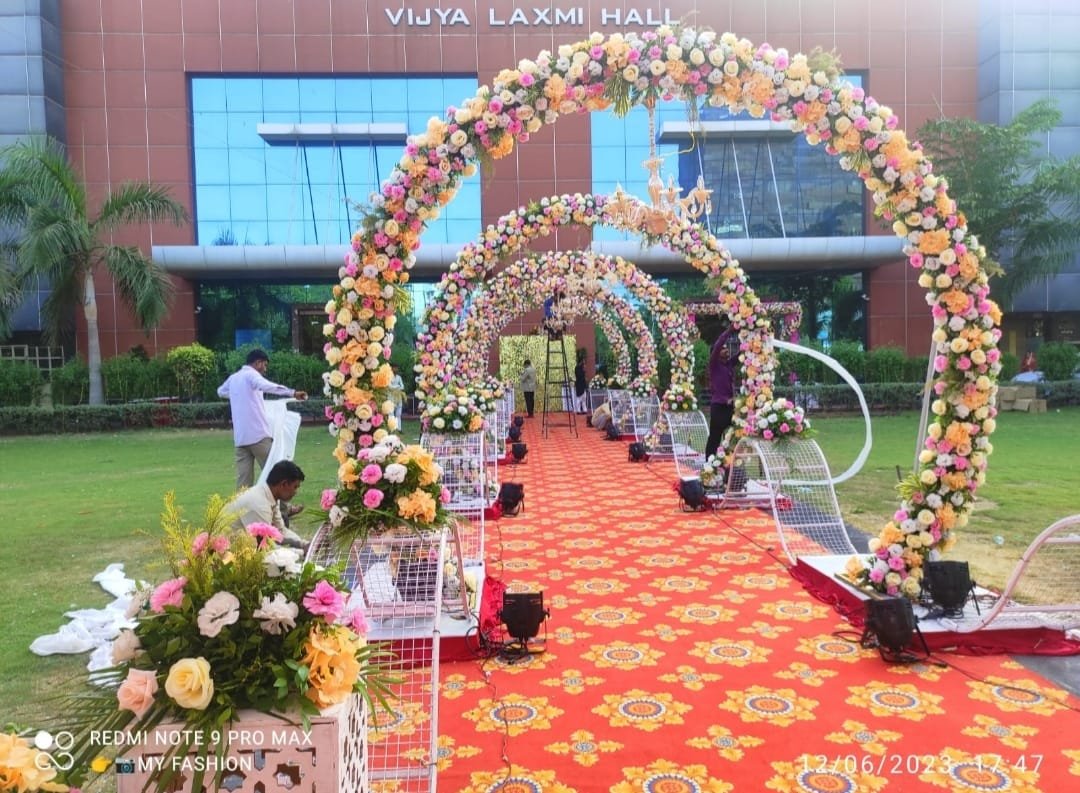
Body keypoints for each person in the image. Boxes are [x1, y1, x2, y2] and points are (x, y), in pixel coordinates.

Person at [217, 349, 308, 491]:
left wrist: (240, 395)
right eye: (264, 365)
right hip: (258, 436)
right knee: (276, 474)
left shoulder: (234, 378)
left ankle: (242, 512)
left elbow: (221, 392)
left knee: (243, 482)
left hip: (240, 439)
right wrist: (292, 393)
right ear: (257, 363)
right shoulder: (251, 376)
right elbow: (268, 386)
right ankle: (283, 509)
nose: (265, 369)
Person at [225, 460, 307, 549]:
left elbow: (281, 530)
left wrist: (303, 544)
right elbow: (264, 547)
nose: (295, 492)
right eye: (295, 487)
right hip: (224, 553)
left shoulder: (271, 495)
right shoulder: (259, 504)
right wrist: (299, 551)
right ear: (283, 484)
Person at [704, 325, 738, 460]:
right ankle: (709, 464)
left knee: (733, 434)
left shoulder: (728, 365)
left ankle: (727, 462)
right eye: (723, 349)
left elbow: (741, 353)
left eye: (726, 349)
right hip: (718, 407)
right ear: (716, 353)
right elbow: (719, 343)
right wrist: (730, 330)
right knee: (714, 437)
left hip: (730, 408)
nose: (726, 350)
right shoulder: (714, 365)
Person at [574, 348, 588, 414]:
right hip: (579, 384)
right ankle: (578, 410)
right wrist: (583, 372)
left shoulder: (582, 368)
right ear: (581, 361)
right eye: (583, 361)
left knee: (584, 398)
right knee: (579, 398)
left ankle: (584, 410)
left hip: (582, 384)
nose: (584, 362)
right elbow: (579, 375)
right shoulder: (577, 368)